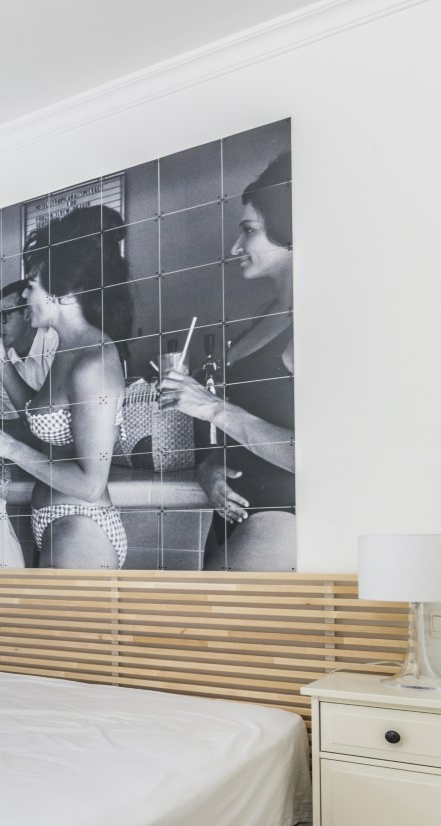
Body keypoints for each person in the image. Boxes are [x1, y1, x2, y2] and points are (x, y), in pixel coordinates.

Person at [0, 206, 130, 568]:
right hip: (56, 523)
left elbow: (91, 484)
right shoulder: (67, 347)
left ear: (66, 294)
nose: (25, 299)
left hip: (82, 528)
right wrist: (2, 364)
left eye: (31, 286)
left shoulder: (94, 362)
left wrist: (11, 448)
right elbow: (41, 417)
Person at [159, 151, 294, 570]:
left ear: (291, 231)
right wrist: (210, 468)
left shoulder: (321, 322)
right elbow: (246, 430)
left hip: (280, 525)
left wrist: (214, 407)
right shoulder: (267, 315)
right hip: (236, 520)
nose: (236, 246)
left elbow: (322, 457)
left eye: (249, 231)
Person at [0, 279, 45, 418]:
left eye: (4, 315)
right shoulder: (5, 359)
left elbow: (51, 413)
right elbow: (10, 423)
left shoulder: (55, 346)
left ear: (28, 313)